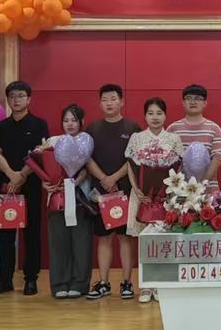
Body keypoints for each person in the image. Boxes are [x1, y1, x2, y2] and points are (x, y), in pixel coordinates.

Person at [0, 81, 50, 296]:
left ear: (29, 99)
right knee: (5, 234)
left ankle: (30, 279)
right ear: (7, 99)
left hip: (30, 185)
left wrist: (21, 176)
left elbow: (40, 153)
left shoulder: (39, 124)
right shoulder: (1, 126)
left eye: (21, 96)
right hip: (5, 185)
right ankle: (4, 279)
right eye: (12, 96)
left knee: (31, 234)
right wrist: (11, 175)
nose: (16, 100)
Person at [85, 84, 141, 300]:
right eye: (105, 100)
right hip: (101, 192)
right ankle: (103, 283)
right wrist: (104, 179)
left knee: (125, 238)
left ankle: (127, 283)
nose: (109, 103)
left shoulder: (132, 127)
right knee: (104, 238)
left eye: (113, 99)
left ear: (121, 101)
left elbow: (134, 159)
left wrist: (114, 178)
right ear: (100, 103)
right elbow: (87, 158)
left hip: (125, 190)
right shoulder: (92, 128)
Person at [127, 97, 185, 302]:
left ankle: (161, 283)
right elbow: (131, 167)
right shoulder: (136, 138)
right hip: (142, 198)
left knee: (163, 241)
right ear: (144, 116)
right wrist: (137, 190)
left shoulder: (174, 139)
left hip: (165, 198)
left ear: (165, 115)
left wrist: (169, 191)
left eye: (159, 113)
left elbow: (179, 168)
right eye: (150, 113)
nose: (155, 117)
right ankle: (145, 286)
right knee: (145, 241)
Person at [43, 104, 94, 299]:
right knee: (58, 242)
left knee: (81, 242)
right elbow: (42, 168)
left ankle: (80, 283)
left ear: (82, 122)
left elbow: (90, 167)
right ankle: (59, 283)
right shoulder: (52, 142)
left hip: (80, 198)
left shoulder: (87, 141)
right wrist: (45, 183)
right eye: (66, 120)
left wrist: (79, 179)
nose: (70, 124)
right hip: (57, 198)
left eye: (74, 120)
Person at [168, 84, 221, 191]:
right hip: (180, 190)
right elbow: (168, 160)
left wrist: (202, 184)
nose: (193, 102)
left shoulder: (214, 128)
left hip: (208, 189)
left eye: (198, 98)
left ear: (205, 103)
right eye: (189, 98)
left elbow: (218, 158)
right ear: (183, 103)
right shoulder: (173, 129)